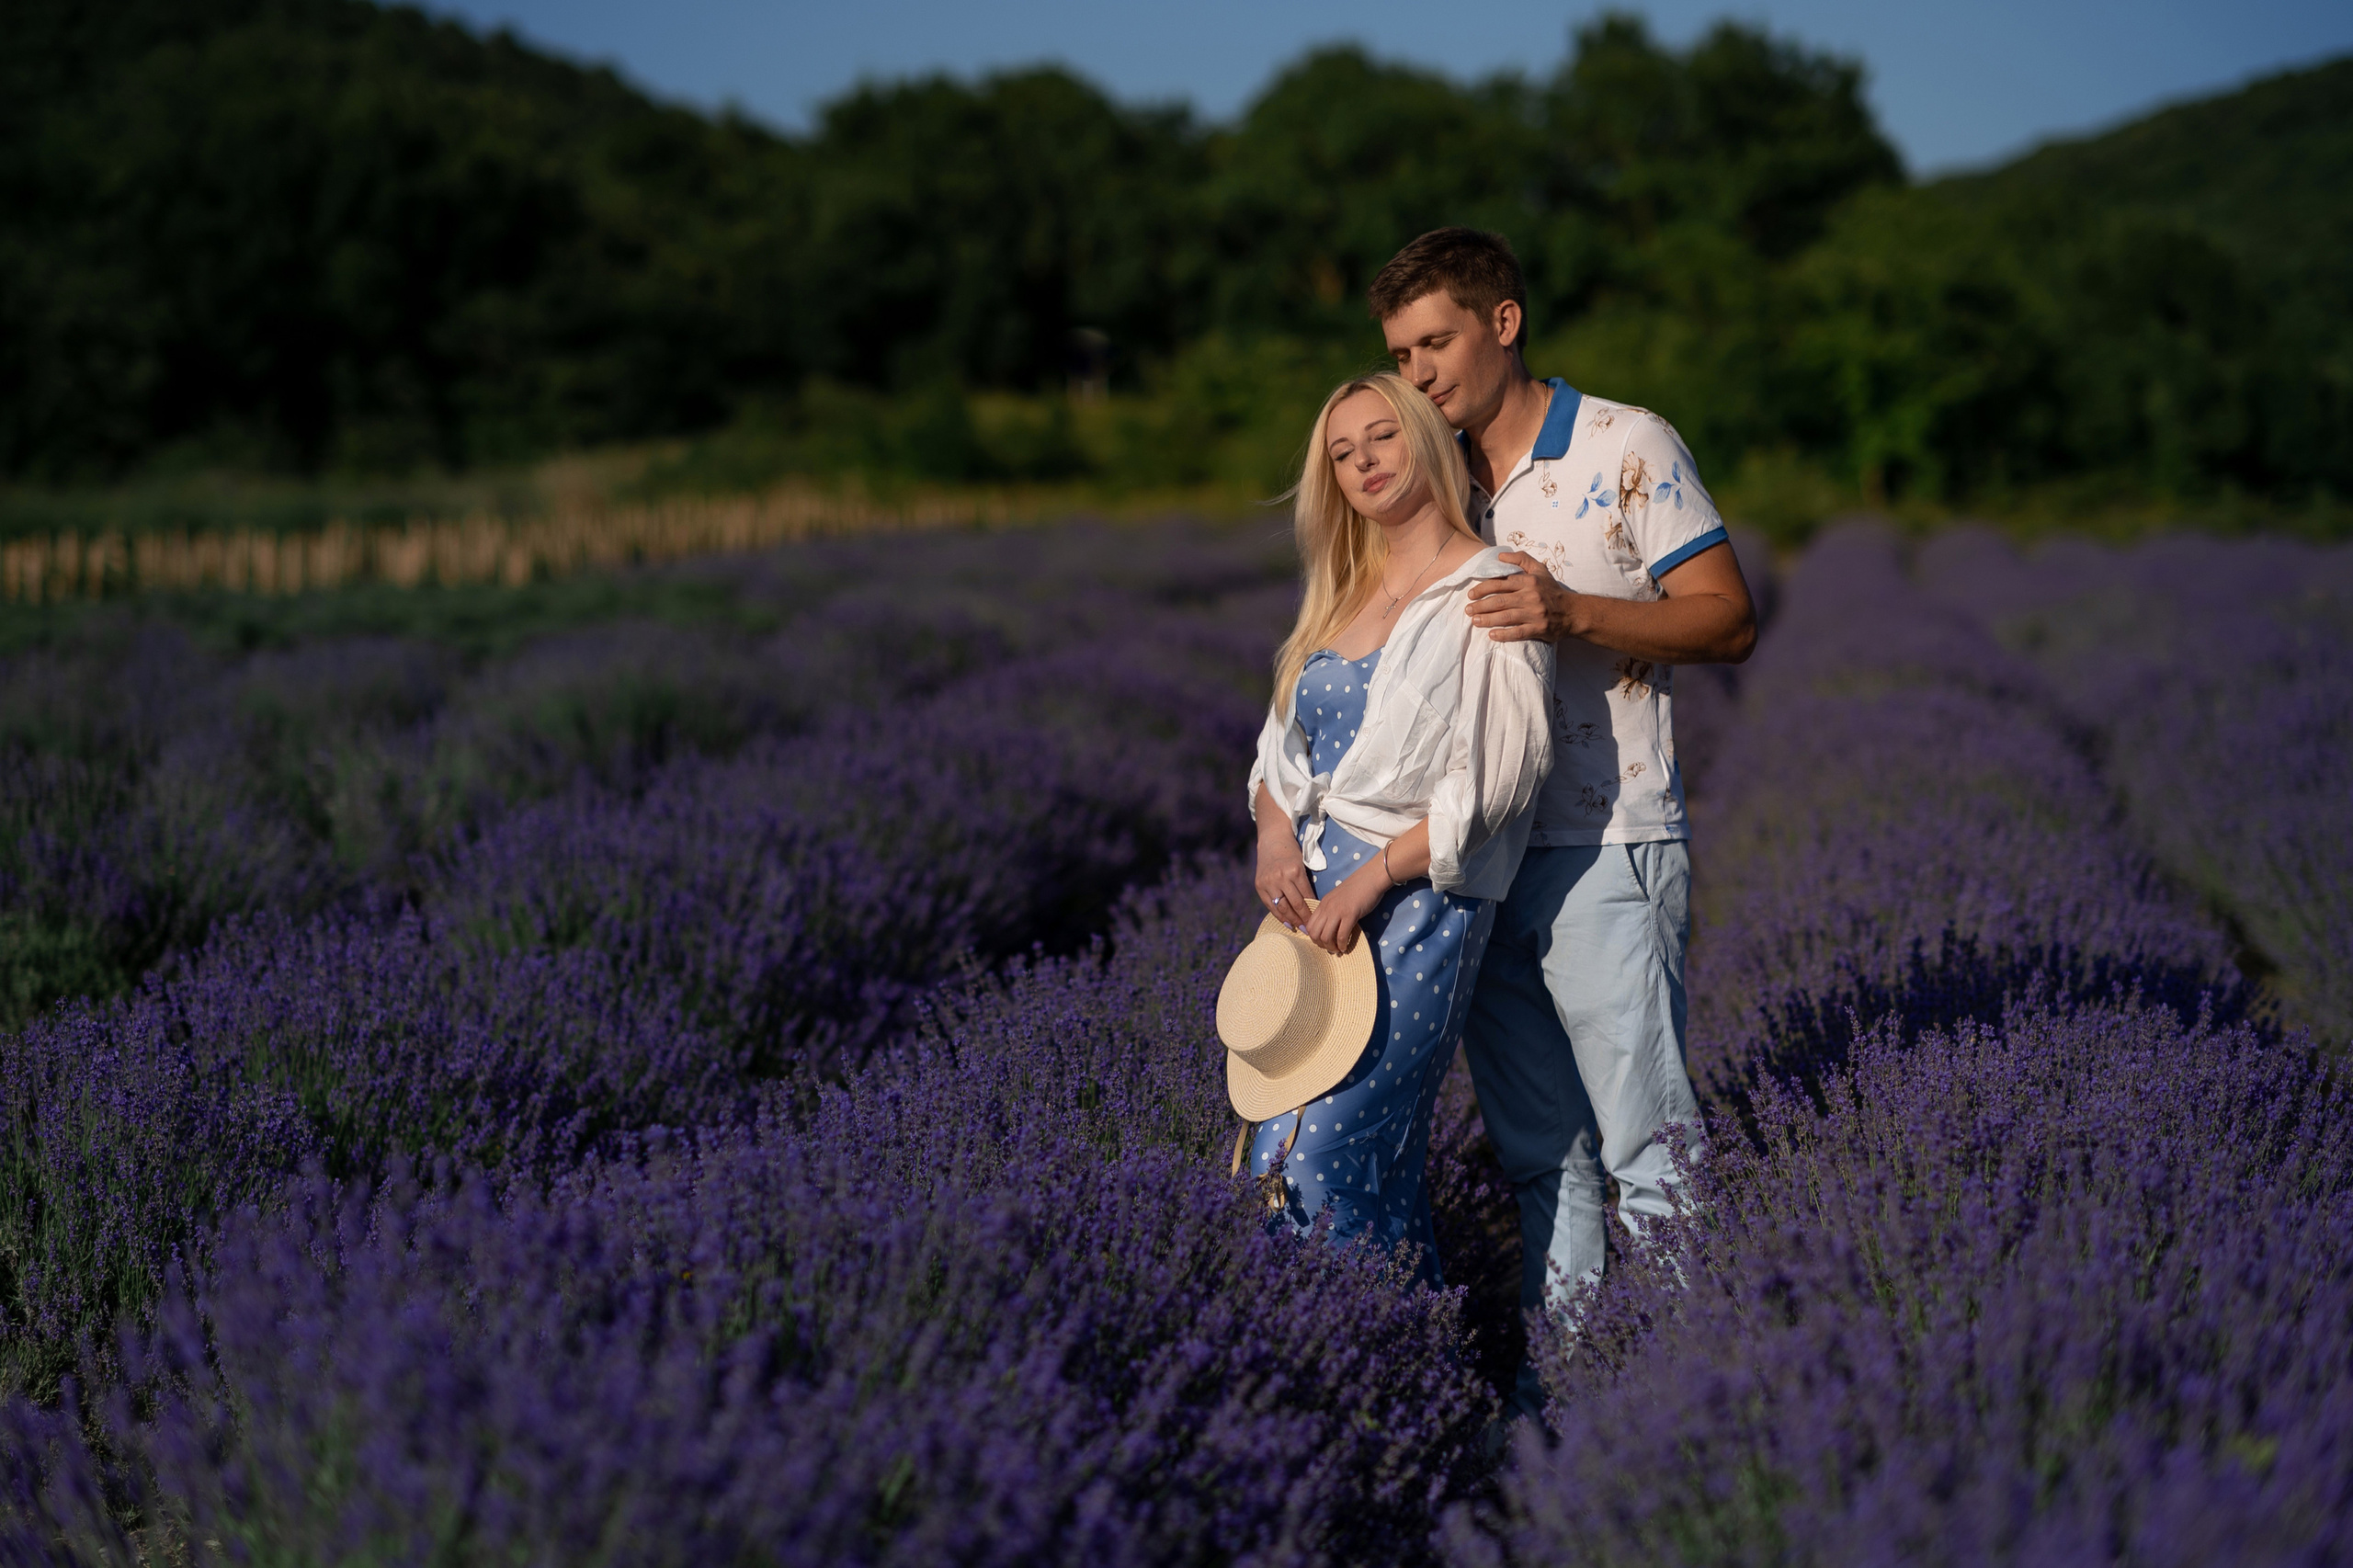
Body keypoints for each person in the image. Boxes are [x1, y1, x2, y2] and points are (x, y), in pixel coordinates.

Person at [1368, 227, 1757, 1414]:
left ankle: (1692, 1401)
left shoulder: (1626, 445)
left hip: (1606, 844)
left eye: (1435, 342)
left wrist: (1570, 610)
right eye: (1399, 353)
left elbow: (1727, 617)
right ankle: (1567, 1402)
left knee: (1651, 1155)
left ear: (1504, 322)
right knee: (1544, 1161)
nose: (1418, 372)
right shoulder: (1434, 480)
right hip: (1471, 865)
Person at [1243, 371, 1555, 1287]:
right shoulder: (1338, 594)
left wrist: (1373, 877)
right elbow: (1279, 757)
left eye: (1380, 436)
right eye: (1342, 453)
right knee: (1280, 1152)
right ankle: (1380, 1351)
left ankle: (1372, 1346)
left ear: (1422, 436)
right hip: (1310, 911)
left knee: (1332, 1150)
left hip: (1420, 903)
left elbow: (1497, 779)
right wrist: (1273, 839)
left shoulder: (1489, 584)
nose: (1364, 462)